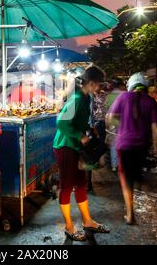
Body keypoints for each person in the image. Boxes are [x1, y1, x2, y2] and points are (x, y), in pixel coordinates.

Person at [53, 65, 110, 241]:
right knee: (66, 186)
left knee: (81, 184)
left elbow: (78, 120)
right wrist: (80, 136)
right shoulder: (77, 98)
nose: (101, 88)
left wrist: (89, 128)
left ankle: (87, 221)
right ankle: (69, 228)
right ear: (92, 83)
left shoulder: (85, 98)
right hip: (65, 146)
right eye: (100, 85)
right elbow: (61, 122)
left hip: (75, 146)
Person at [106, 73, 157, 225]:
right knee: (135, 172)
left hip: (124, 144)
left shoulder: (123, 97)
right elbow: (155, 127)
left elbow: (109, 118)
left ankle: (130, 215)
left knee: (126, 178)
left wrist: (122, 127)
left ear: (131, 85)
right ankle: (139, 179)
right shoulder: (151, 101)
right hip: (142, 145)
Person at [105, 78, 125, 172]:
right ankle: (122, 165)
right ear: (120, 85)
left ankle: (114, 165)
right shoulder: (124, 95)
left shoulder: (109, 96)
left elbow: (106, 109)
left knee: (113, 144)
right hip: (123, 123)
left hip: (112, 123)